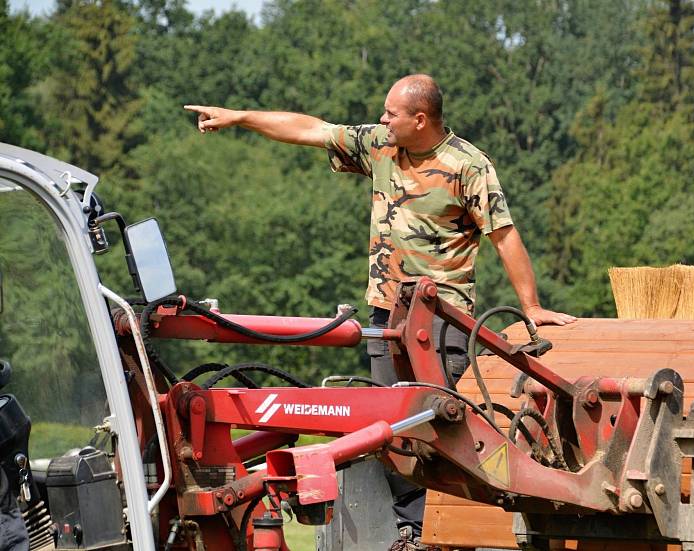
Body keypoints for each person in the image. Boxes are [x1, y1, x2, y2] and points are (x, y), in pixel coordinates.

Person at [186, 74, 576, 551]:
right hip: (385, 316)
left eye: (391, 112)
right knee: (389, 430)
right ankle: (411, 532)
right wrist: (240, 117)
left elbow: (504, 235)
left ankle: (453, 532)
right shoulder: (380, 145)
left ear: (420, 118)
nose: (382, 118)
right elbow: (311, 129)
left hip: (443, 320)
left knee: (438, 425)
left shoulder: (468, 166)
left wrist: (532, 307)